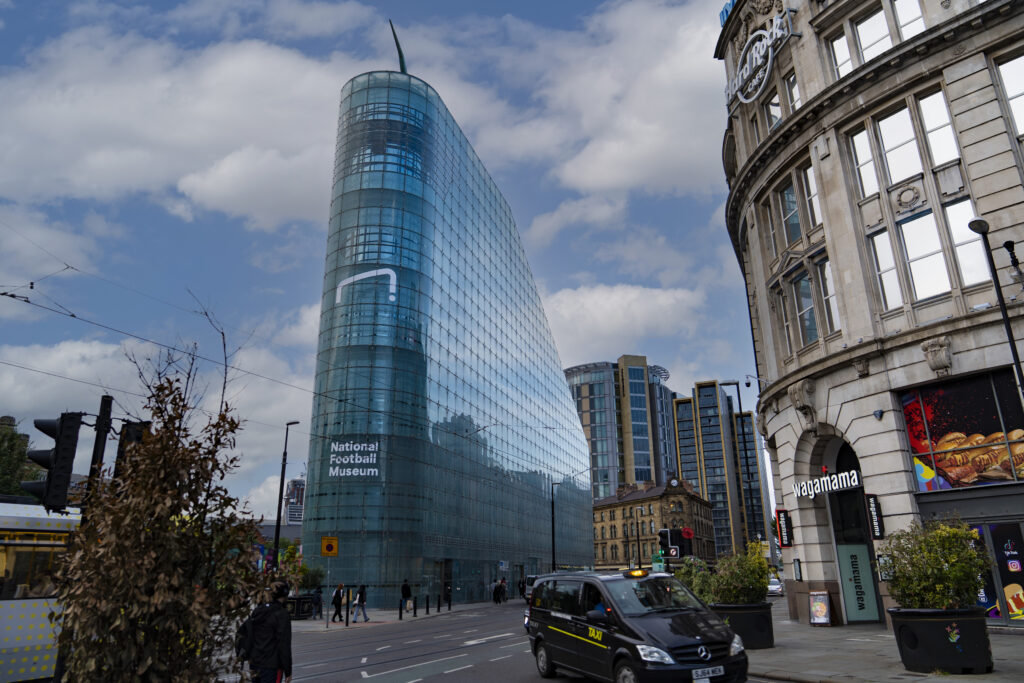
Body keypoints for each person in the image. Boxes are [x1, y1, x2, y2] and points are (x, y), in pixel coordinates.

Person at [248, 581, 293, 683]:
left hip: (255, 663)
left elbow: (250, 636)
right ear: (285, 594)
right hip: (272, 666)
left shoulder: (258, 610)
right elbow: (284, 644)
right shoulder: (282, 614)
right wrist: (288, 671)